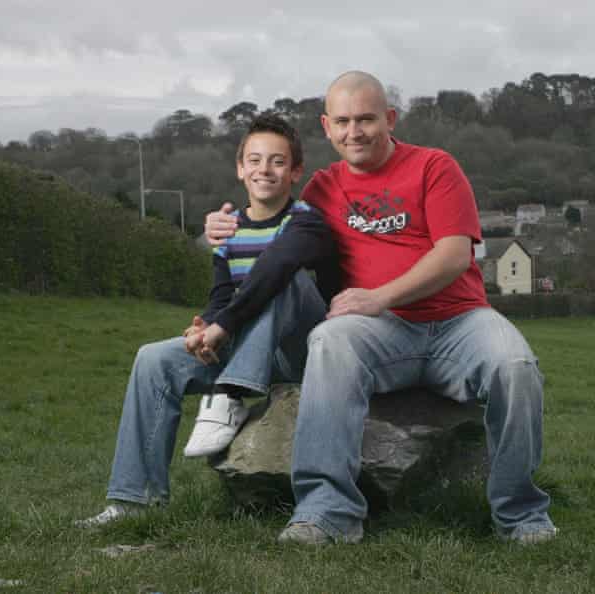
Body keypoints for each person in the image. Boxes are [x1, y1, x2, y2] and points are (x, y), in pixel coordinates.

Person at [205, 71, 557, 545]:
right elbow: (271, 225)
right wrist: (222, 226)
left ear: (389, 119)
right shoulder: (323, 189)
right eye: (344, 122)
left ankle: (521, 517)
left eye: (367, 119)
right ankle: (327, 513)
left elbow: (455, 254)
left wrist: (380, 296)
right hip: (380, 332)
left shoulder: (435, 167)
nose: (355, 132)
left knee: (515, 365)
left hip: (459, 322)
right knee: (329, 339)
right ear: (326, 127)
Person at [76, 114, 339, 527]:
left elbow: (277, 268)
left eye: (277, 161)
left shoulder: (306, 221)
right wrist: (206, 328)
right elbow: (220, 296)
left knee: (280, 277)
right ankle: (133, 500)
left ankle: (228, 395)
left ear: (295, 171)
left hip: (300, 350)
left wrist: (224, 326)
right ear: (240, 169)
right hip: (244, 342)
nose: (264, 170)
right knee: (153, 359)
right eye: (254, 160)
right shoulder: (227, 231)